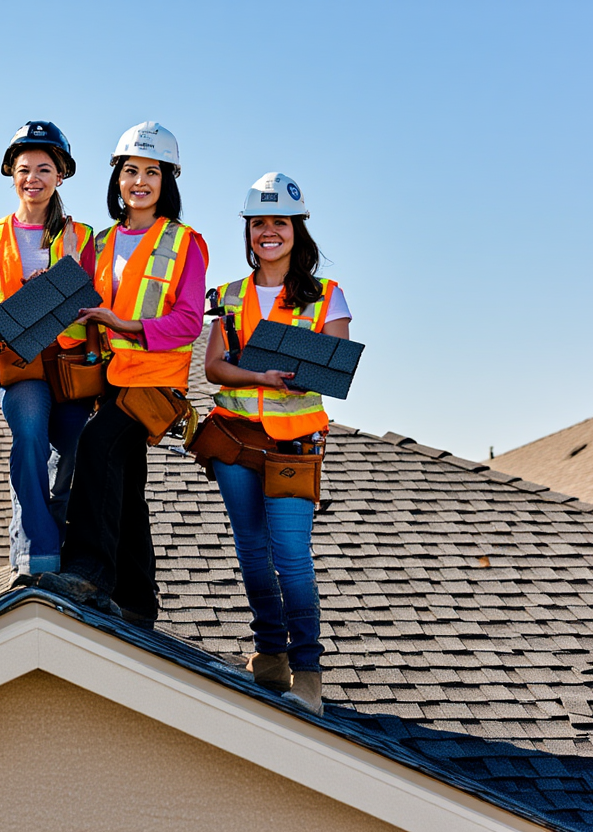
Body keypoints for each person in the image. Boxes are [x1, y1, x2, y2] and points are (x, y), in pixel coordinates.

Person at [39, 122, 208, 630]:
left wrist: (126, 324)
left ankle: (90, 572)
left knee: (95, 447)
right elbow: (82, 304)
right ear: (117, 179)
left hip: (155, 382)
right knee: (127, 486)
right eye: (130, 170)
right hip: (111, 378)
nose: (139, 181)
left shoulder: (185, 242)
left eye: (151, 172)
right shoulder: (105, 240)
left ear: (167, 181)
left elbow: (188, 321)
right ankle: (137, 601)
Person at [202, 173, 350, 717]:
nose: (269, 233)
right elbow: (214, 365)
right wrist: (261, 377)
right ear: (248, 232)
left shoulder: (327, 296)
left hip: (293, 445)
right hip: (238, 440)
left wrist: (295, 372)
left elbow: (333, 368)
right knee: (251, 552)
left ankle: (307, 671)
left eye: (279, 224)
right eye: (259, 223)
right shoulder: (231, 295)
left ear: (297, 230)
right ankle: (270, 654)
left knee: (291, 556)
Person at [0, 121, 95, 582]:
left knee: (74, 456)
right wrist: (7, 316)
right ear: (11, 175)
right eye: (24, 169)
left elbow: (100, 298)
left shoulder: (84, 237)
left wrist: (59, 299)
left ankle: (57, 541)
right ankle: (35, 556)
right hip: (17, 365)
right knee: (29, 438)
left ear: (60, 175)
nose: (33, 178)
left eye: (44, 169)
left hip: (71, 365)